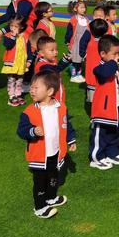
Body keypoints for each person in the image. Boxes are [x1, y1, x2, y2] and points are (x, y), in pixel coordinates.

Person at [17, 71, 76, 218]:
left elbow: (66, 124)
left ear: (49, 91)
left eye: (36, 88)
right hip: (38, 155)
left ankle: (51, 198)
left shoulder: (60, 107)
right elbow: (21, 130)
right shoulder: (29, 112)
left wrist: (71, 140)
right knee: (39, 182)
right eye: (31, 87)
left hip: (55, 152)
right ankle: (40, 207)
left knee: (53, 176)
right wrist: (32, 131)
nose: (31, 90)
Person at [90, 35, 119, 170]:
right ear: (103, 54)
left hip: (114, 106)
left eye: (118, 53)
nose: (117, 56)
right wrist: (113, 63)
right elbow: (104, 73)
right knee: (100, 134)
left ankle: (112, 153)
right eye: (114, 53)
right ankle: (96, 157)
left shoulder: (113, 66)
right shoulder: (101, 68)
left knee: (114, 132)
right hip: (102, 109)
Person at [80, 18, 109, 106]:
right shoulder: (105, 44)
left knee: (93, 100)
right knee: (102, 97)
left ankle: (93, 116)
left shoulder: (91, 44)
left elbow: (81, 44)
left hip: (91, 77)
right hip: (103, 76)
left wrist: (84, 56)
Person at [34, 36, 71, 104]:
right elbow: (53, 70)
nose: (56, 52)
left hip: (56, 94)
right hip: (50, 98)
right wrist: (64, 61)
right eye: (52, 50)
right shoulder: (42, 65)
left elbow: (55, 68)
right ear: (41, 53)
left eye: (56, 49)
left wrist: (66, 60)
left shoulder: (51, 62)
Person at [2, 16, 29, 107]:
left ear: (21, 27)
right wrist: (13, 36)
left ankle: (18, 95)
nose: (13, 28)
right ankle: (11, 96)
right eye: (11, 26)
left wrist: (29, 60)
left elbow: (29, 49)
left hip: (21, 63)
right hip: (11, 63)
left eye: (15, 26)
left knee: (20, 79)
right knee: (11, 79)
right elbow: (8, 45)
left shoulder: (25, 36)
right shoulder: (8, 36)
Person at [65, 1, 89, 83]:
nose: (83, 9)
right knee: (74, 60)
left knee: (80, 60)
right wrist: (67, 41)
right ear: (75, 9)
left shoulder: (86, 19)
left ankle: (79, 74)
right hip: (75, 43)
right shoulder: (73, 19)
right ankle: (73, 75)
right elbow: (69, 31)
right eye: (81, 7)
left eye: (84, 7)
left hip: (84, 43)